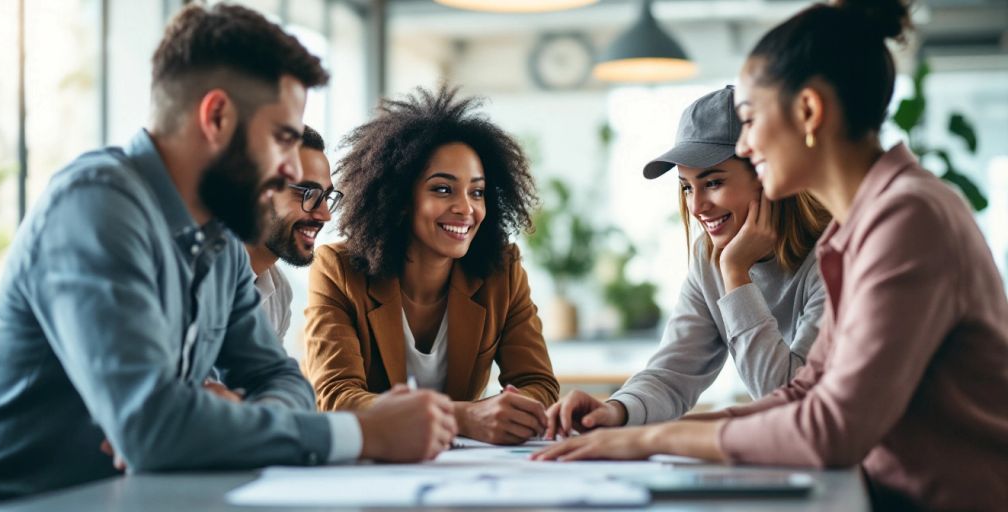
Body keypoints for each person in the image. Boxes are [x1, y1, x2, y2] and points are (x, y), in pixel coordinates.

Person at [533, 1, 1008, 509]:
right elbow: (803, 397)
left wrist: (651, 440)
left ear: (808, 110)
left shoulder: (907, 219)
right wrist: (626, 424)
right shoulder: (862, 226)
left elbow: (828, 430)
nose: (751, 143)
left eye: (752, 119)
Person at [0, 4, 454, 504]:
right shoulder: (96, 207)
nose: (292, 170)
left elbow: (280, 378)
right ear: (217, 117)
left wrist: (224, 421)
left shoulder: (221, 242)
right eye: (283, 139)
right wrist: (365, 433)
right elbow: (154, 431)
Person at [543, 86, 830, 438]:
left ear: (765, 174)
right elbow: (674, 373)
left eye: (712, 182)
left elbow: (789, 400)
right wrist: (615, 409)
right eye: (686, 187)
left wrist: (736, 275)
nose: (696, 207)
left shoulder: (833, 257)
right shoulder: (708, 257)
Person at [303, 85, 560, 445]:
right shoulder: (338, 270)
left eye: (477, 191)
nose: (466, 208)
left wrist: (507, 412)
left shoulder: (502, 271)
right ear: (399, 198)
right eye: (442, 189)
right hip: (373, 469)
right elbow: (334, 398)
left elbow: (540, 384)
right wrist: (464, 417)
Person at [245, 125, 340, 341]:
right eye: (308, 193)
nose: (325, 215)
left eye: (326, 196)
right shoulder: (192, 275)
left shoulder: (278, 294)